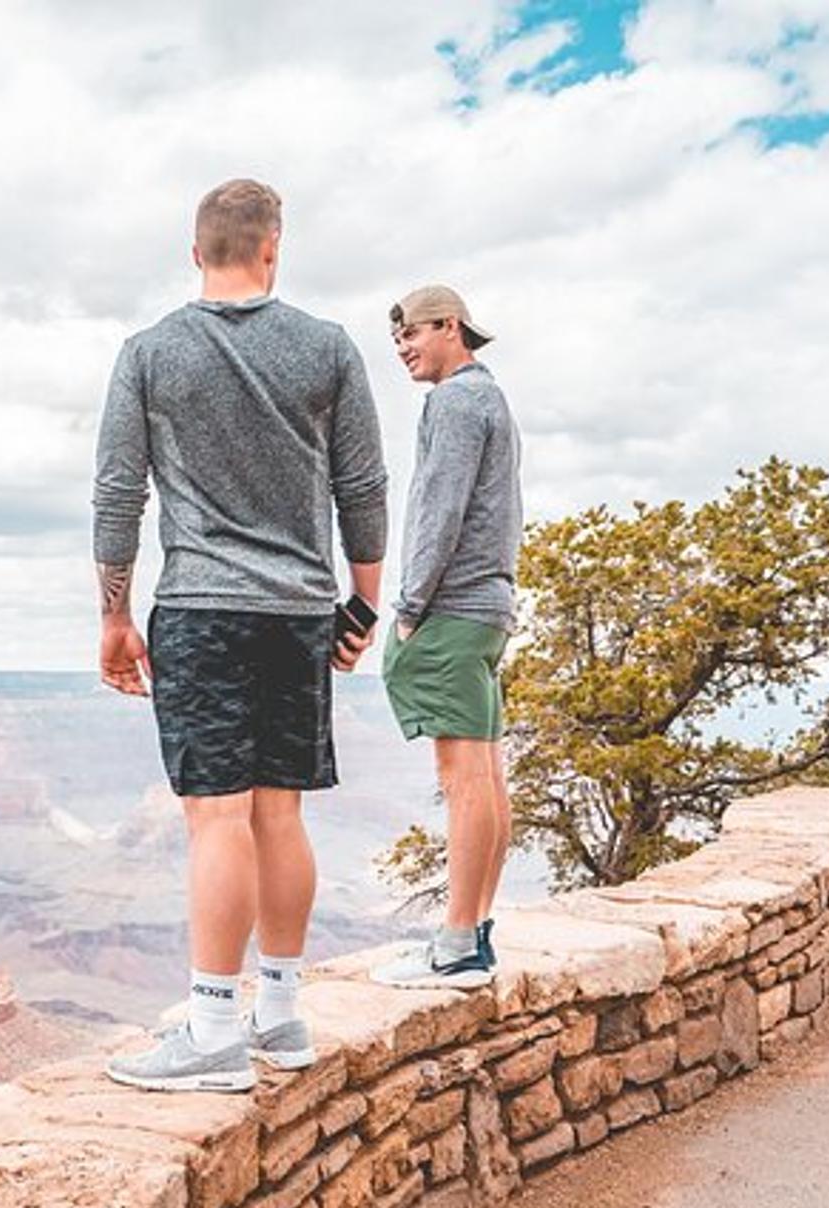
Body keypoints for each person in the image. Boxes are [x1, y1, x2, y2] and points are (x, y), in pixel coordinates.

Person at [93, 178, 388, 1091]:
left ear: (196, 253)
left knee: (217, 816)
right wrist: (362, 608)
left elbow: (118, 493)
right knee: (280, 813)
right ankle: (283, 1014)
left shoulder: (149, 353)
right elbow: (364, 488)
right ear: (272, 249)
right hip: (300, 612)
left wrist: (112, 614)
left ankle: (215, 1028)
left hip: (202, 609)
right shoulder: (327, 348)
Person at [369, 285, 522, 990]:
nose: (403, 348)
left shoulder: (455, 401)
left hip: (451, 608)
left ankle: (456, 944)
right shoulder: (490, 398)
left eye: (413, 334)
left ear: (450, 326)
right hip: (486, 608)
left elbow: (441, 508)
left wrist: (407, 608)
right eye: (396, 338)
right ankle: (476, 930)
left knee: (462, 778)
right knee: (487, 772)